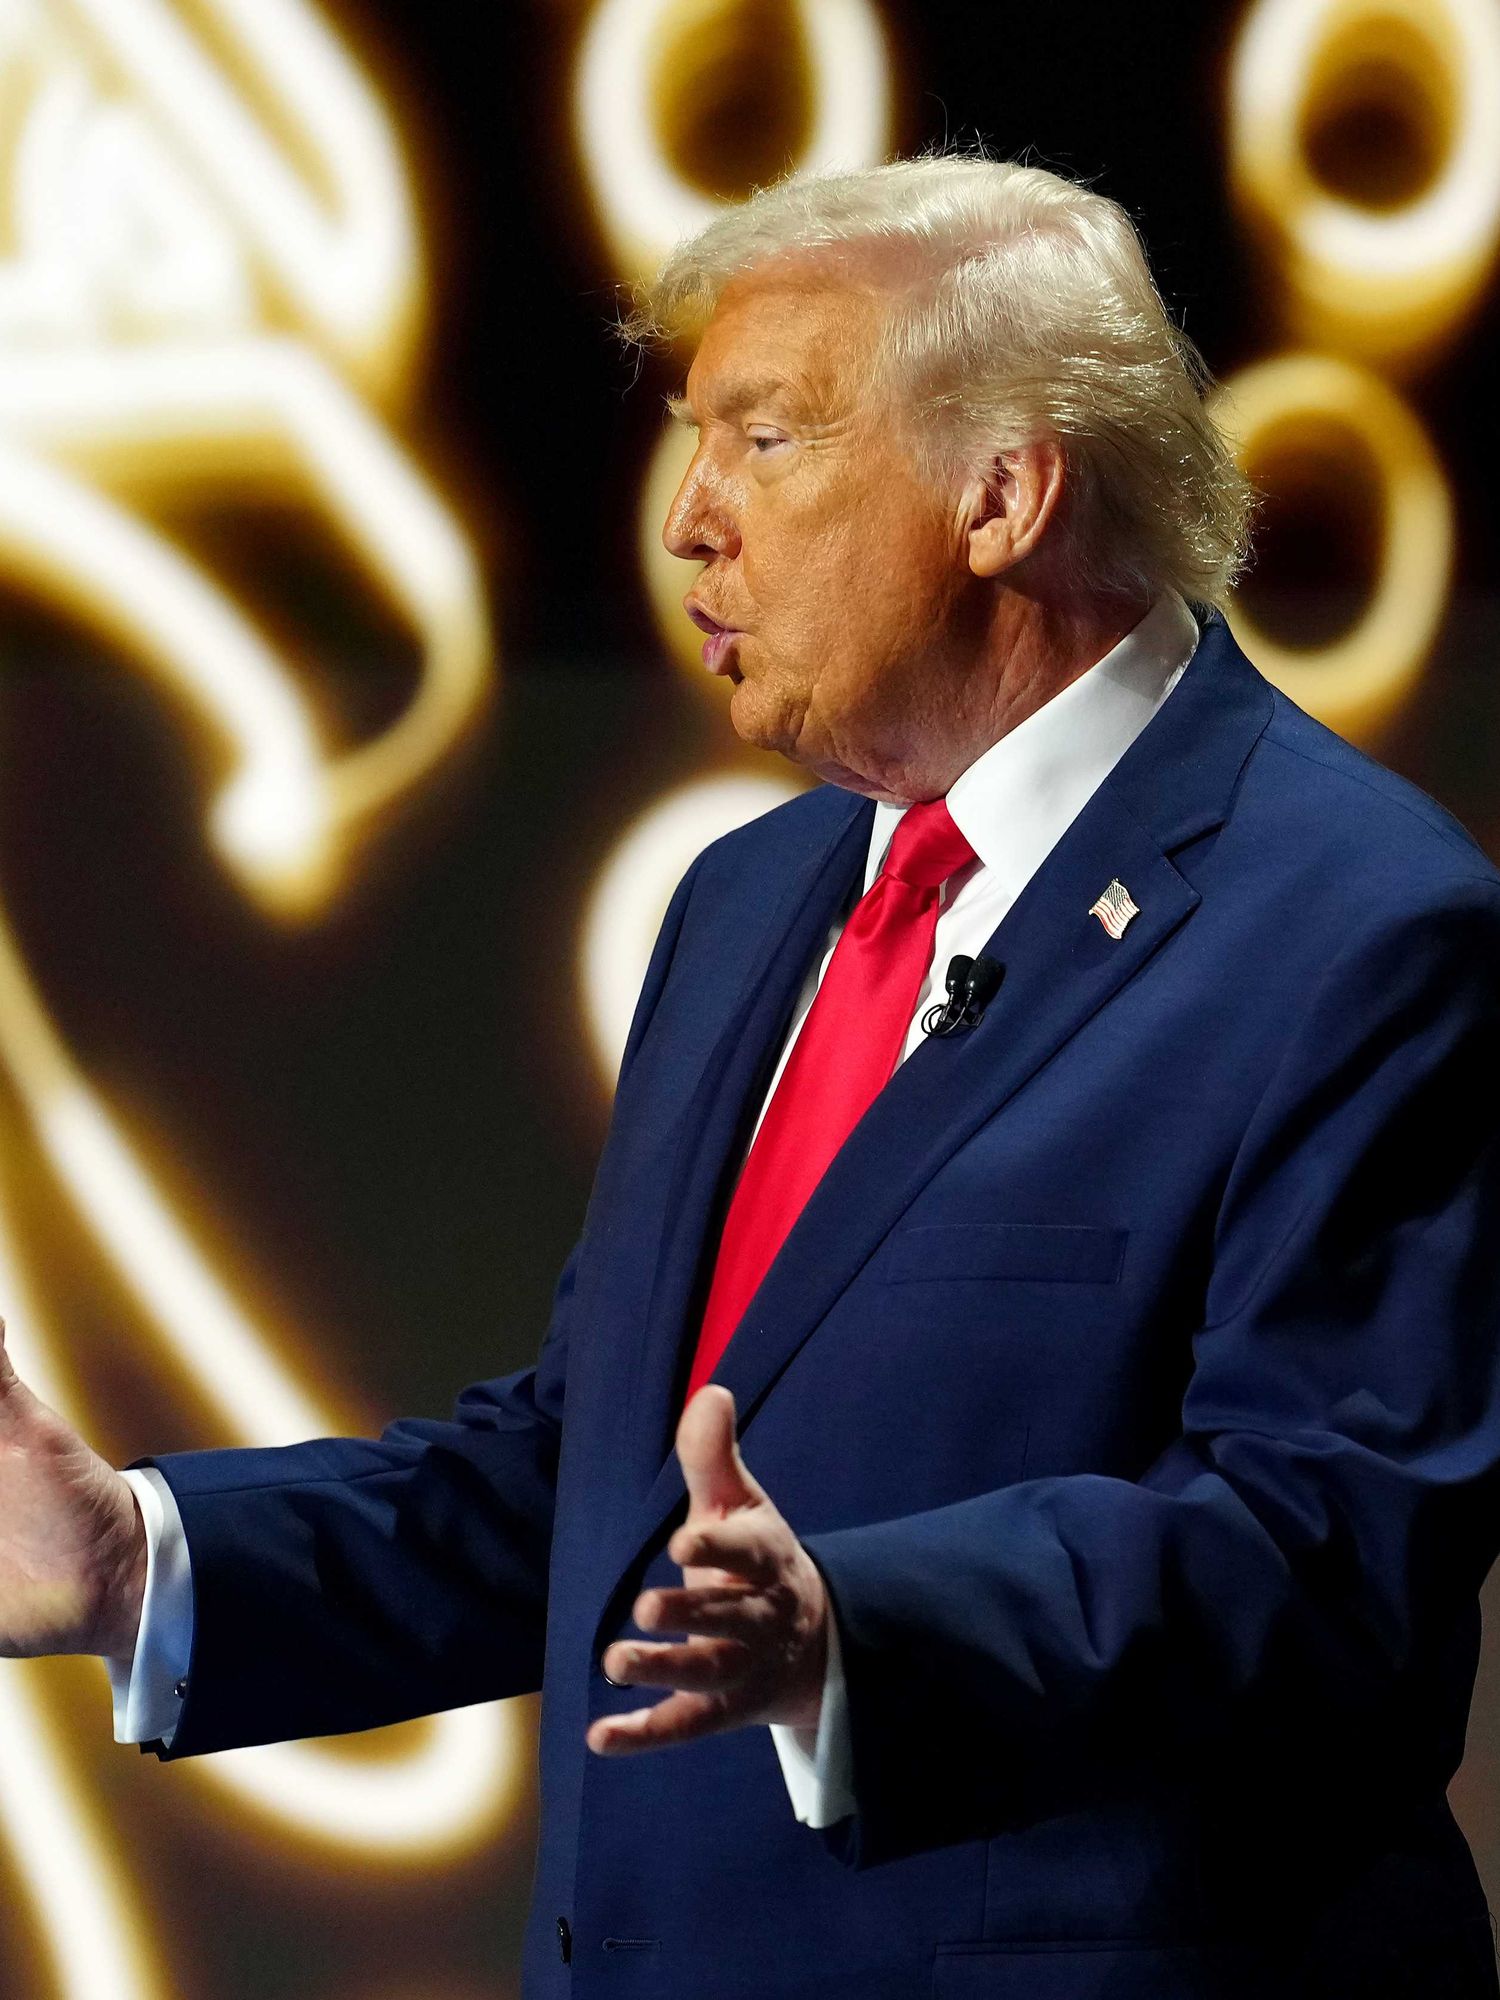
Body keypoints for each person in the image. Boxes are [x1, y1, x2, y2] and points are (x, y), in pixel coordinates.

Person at [2, 151, 1499, 2000]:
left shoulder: (1362, 925)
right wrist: (138, 1562)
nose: (690, 519)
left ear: (1005, 492)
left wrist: (862, 1632)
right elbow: (597, 1481)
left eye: (767, 441)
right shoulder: (751, 899)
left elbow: (1330, 1549)